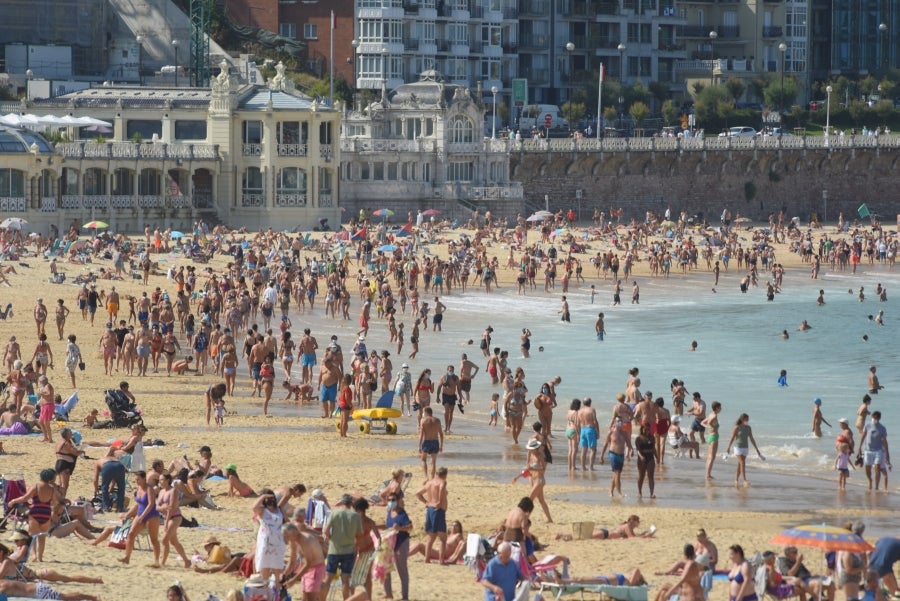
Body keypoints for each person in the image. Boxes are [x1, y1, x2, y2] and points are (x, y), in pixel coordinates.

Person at [10, 468, 60, 562]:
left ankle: (33, 556)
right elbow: (55, 502)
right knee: (42, 538)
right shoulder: (52, 489)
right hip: (46, 513)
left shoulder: (36, 486)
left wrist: (13, 501)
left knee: (33, 536)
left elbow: (25, 498)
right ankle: (40, 557)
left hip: (35, 512)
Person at [118, 470, 162, 567]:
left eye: (138, 479)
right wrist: (128, 514)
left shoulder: (149, 489)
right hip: (140, 514)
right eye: (135, 480)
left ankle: (157, 561)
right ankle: (127, 557)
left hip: (151, 515)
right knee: (131, 534)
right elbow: (137, 504)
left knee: (153, 539)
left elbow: (151, 504)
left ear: (144, 479)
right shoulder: (139, 488)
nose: (136, 481)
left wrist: (143, 516)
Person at [323, 493, 362, 601]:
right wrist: (355, 547)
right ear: (351, 503)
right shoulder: (355, 516)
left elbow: (326, 531)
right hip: (348, 551)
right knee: (345, 580)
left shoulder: (335, 513)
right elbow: (359, 536)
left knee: (328, 578)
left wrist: (332, 539)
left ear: (342, 502)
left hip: (334, 550)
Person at [281, 520, 327, 601]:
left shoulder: (305, 540)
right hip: (306, 569)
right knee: (304, 598)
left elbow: (309, 563)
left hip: (316, 569)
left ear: (294, 533)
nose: (287, 539)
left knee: (310, 598)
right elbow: (292, 560)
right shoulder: (293, 541)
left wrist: (294, 579)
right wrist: (284, 574)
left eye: (287, 536)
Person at [382, 492, 413, 601]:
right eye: (389, 500)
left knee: (402, 570)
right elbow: (387, 526)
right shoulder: (389, 512)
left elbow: (410, 526)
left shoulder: (402, 513)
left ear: (397, 500)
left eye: (393, 499)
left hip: (401, 543)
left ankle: (405, 596)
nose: (391, 502)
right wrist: (375, 526)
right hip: (390, 543)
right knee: (386, 567)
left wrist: (400, 528)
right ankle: (388, 592)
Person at [415, 466, 449, 565]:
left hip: (430, 509)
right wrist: (439, 501)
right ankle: (441, 560)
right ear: (444, 475)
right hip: (438, 510)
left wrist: (426, 502)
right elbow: (442, 488)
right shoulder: (442, 481)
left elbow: (417, 493)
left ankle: (427, 559)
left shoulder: (429, 482)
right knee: (442, 538)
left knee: (431, 537)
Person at [157, 472, 191, 568]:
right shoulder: (161, 491)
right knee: (174, 542)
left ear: (168, 480)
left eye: (162, 480)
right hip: (166, 517)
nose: (160, 482)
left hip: (175, 517)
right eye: (159, 480)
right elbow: (157, 506)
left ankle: (162, 563)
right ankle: (186, 561)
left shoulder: (173, 491)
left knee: (164, 540)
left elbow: (171, 508)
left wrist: (166, 522)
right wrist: (163, 508)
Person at [252, 491, 286, 580]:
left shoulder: (279, 510)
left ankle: (277, 591)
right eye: (268, 498)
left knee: (277, 569)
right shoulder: (262, 510)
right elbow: (254, 507)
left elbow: (287, 522)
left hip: (278, 542)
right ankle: (264, 589)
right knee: (265, 568)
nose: (270, 500)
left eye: (272, 498)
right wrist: (263, 496)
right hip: (265, 542)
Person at [725, 413, 765, 487]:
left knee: (740, 464)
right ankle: (744, 480)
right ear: (742, 419)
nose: (747, 421)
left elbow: (751, 438)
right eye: (746, 419)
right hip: (738, 448)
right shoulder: (737, 427)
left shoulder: (748, 428)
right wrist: (728, 448)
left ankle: (736, 479)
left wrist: (757, 449)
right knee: (742, 463)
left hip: (745, 448)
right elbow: (732, 438)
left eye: (748, 420)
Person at [599, 419, 633, 498]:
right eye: (618, 421)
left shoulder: (624, 433)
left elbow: (628, 443)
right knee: (617, 474)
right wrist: (601, 456)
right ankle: (619, 493)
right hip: (613, 454)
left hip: (621, 455)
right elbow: (605, 444)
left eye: (621, 421)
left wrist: (631, 450)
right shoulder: (611, 432)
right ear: (614, 422)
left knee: (616, 475)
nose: (620, 423)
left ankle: (610, 491)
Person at [858, 410, 890, 491]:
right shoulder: (867, 425)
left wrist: (887, 453)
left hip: (878, 451)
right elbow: (863, 436)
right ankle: (870, 480)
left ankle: (876, 486)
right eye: (872, 417)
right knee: (867, 468)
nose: (873, 419)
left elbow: (885, 441)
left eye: (875, 417)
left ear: (879, 418)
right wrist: (859, 447)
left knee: (877, 467)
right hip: (868, 450)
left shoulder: (882, 428)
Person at [418, 407, 443, 479]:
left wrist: (419, 446)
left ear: (426, 412)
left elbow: (421, 435)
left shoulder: (423, 420)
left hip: (427, 441)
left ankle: (426, 477)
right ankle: (432, 479)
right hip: (435, 442)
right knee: (433, 462)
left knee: (423, 460)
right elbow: (441, 434)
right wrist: (441, 446)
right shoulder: (437, 420)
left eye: (423, 412)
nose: (423, 413)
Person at [576, 398, 599, 470]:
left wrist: (578, 433)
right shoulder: (591, 410)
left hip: (582, 429)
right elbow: (595, 421)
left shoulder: (579, 411)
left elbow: (577, 423)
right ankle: (591, 467)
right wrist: (597, 431)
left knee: (584, 449)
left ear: (583, 403)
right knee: (593, 449)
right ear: (590, 403)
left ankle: (583, 467)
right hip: (590, 429)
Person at [634, 423, 656, 499]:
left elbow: (654, 449)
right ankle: (639, 492)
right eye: (645, 429)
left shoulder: (652, 437)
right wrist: (641, 457)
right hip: (642, 458)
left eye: (648, 429)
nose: (647, 431)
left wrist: (658, 458)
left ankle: (651, 493)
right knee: (641, 476)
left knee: (651, 476)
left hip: (650, 457)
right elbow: (638, 451)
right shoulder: (638, 439)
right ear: (642, 429)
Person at [701, 401, 721, 480]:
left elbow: (702, 422)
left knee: (709, 457)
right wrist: (712, 427)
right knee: (712, 457)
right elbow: (709, 422)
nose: (721, 409)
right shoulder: (714, 416)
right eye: (720, 408)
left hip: (710, 436)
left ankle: (707, 474)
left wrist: (709, 427)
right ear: (716, 408)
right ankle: (708, 475)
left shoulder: (710, 414)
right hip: (714, 437)